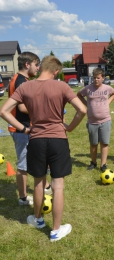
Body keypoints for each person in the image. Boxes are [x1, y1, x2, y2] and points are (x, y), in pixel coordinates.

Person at [0, 55, 87, 241]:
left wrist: (24, 129)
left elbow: (3, 111)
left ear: (42, 68)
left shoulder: (25, 86)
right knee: (58, 185)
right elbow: (83, 110)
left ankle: (38, 219)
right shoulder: (62, 86)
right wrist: (70, 127)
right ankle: (55, 230)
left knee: (38, 183)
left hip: (36, 139)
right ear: (56, 71)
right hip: (58, 140)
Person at [8, 52, 52, 206]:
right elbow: (21, 107)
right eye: (36, 64)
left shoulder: (20, 79)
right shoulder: (21, 82)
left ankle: (45, 186)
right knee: (23, 165)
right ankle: (23, 198)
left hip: (25, 127)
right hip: (22, 129)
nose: (38, 68)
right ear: (27, 65)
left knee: (37, 157)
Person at [77, 68, 114, 172]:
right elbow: (79, 95)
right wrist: (87, 105)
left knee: (104, 143)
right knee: (93, 143)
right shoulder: (88, 88)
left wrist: (108, 102)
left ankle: (103, 164)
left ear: (103, 78)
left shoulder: (107, 88)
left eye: (98, 78)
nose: (96, 80)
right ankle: (93, 162)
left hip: (105, 120)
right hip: (92, 122)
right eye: (94, 78)